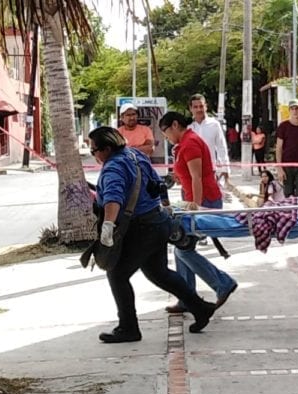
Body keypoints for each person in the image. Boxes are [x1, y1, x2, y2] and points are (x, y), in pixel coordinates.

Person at [88, 126, 216, 343]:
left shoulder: (113, 168)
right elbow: (158, 184)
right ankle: (200, 308)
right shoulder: (135, 155)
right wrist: (165, 206)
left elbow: (113, 198)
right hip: (158, 221)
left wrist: (108, 226)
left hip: (141, 229)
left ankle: (128, 328)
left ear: (107, 149)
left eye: (94, 151)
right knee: (158, 272)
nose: (94, 156)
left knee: (117, 274)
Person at [159, 112, 238, 312]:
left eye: (165, 131)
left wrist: (196, 207)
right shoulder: (184, 143)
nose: (166, 137)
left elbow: (197, 177)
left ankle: (222, 283)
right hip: (194, 200)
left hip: (205, 200)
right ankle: (187, 298)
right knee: (181, 247)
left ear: (175, 125)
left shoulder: (190, 143)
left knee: (183, 250)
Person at [188, 94, 231, 186]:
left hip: (210, 171)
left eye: (201, 106)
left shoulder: (214, 124)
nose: (199, 109)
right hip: (191, 172)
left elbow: (221, 147)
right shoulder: (188, 127)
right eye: (195, 107)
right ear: (191, 109)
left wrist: (225, 169)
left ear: (206, 107)